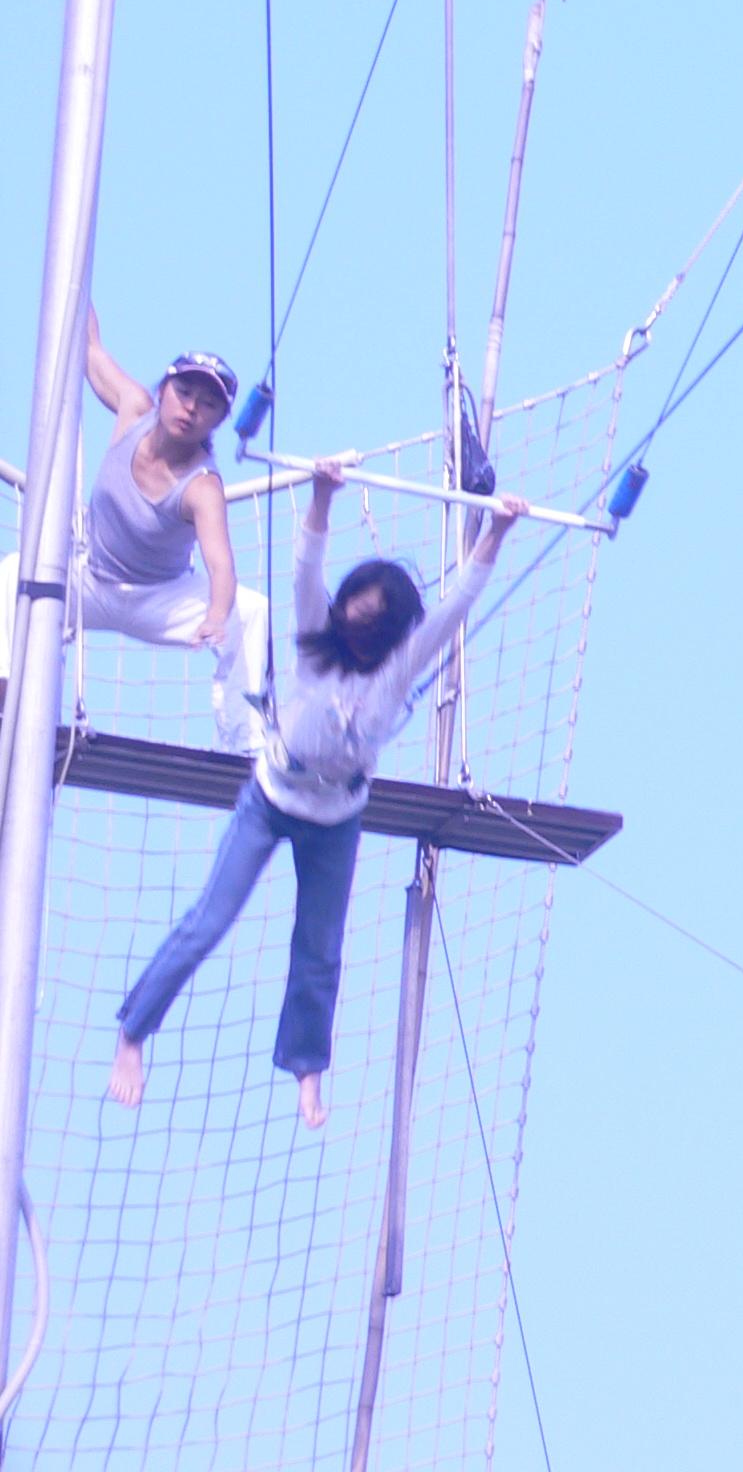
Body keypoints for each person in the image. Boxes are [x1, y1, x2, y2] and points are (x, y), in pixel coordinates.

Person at [108, 457, 526, 1129]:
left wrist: (497, 532)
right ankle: (133, 1030)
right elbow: (307, 567)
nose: (353, 624)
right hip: (271, 799)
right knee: (209, 920)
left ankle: (307, 1069)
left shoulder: (398, 671)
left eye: (368, 621)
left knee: (319, 949)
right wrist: (322, 496)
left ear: (387, 633)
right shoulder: (312, 644)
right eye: (350, 610)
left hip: (337, 818)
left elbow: (456, 606)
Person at [0, 307, 268, 752]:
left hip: (159, 599)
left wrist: (217, 616)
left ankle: (247, 742)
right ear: (163, 391)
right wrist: (77, 292)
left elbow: (221, 566)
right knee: (12, 573)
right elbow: (90, 351)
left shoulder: (202, 486)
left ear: (219, 420)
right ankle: (5, 692)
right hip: (91, 579)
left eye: (208, 404)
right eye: (184, 392)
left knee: (252, 611)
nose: (191, 409)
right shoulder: (133, 409)